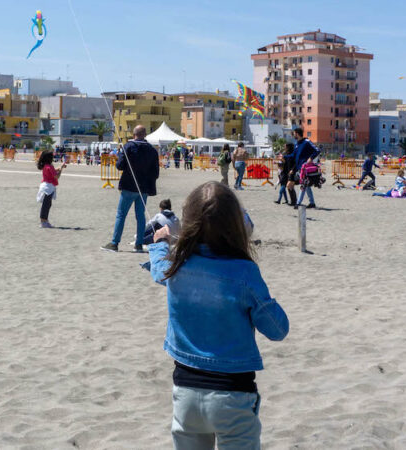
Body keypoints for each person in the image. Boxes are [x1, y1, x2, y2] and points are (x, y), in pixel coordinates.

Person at [148, 181, 289, 448]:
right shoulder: (244, 272)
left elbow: (158, 269)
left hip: (186, 393)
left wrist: (160, 242)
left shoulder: (176, 266)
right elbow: (277, 330)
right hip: (233, 396)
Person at [101, 125, 160, 253]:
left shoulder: (128, 146)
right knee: (140, 216)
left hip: (129, 186)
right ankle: (138, 244)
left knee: (121, 215)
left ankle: (114, 243)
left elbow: (119, 166)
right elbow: (156, 173)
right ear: (145, 135)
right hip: (143, 188)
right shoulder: (152, 150)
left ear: (134, 135)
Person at [290, 128, 320, 208]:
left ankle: (298, 203)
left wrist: (311, 158)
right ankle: (312, 203)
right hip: (299, 168)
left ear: (297, 133)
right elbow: (293, 155)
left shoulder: (306, 142)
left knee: (303, 184)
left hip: (305, 168)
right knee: (306, 186)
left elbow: (317, 150)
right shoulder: (297, 144)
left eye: (294, 133)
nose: (293, 135)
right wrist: (284, 157)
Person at [36, 150, 66, 228]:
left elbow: (53, 171)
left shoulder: (46, 166)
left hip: (46, 186)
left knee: (47, 204)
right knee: (46, 205)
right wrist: (61, 170)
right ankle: (43, 221)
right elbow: (56, 176)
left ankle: (45, 220)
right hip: (48, 188)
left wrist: (60, 167)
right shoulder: (49, 166)